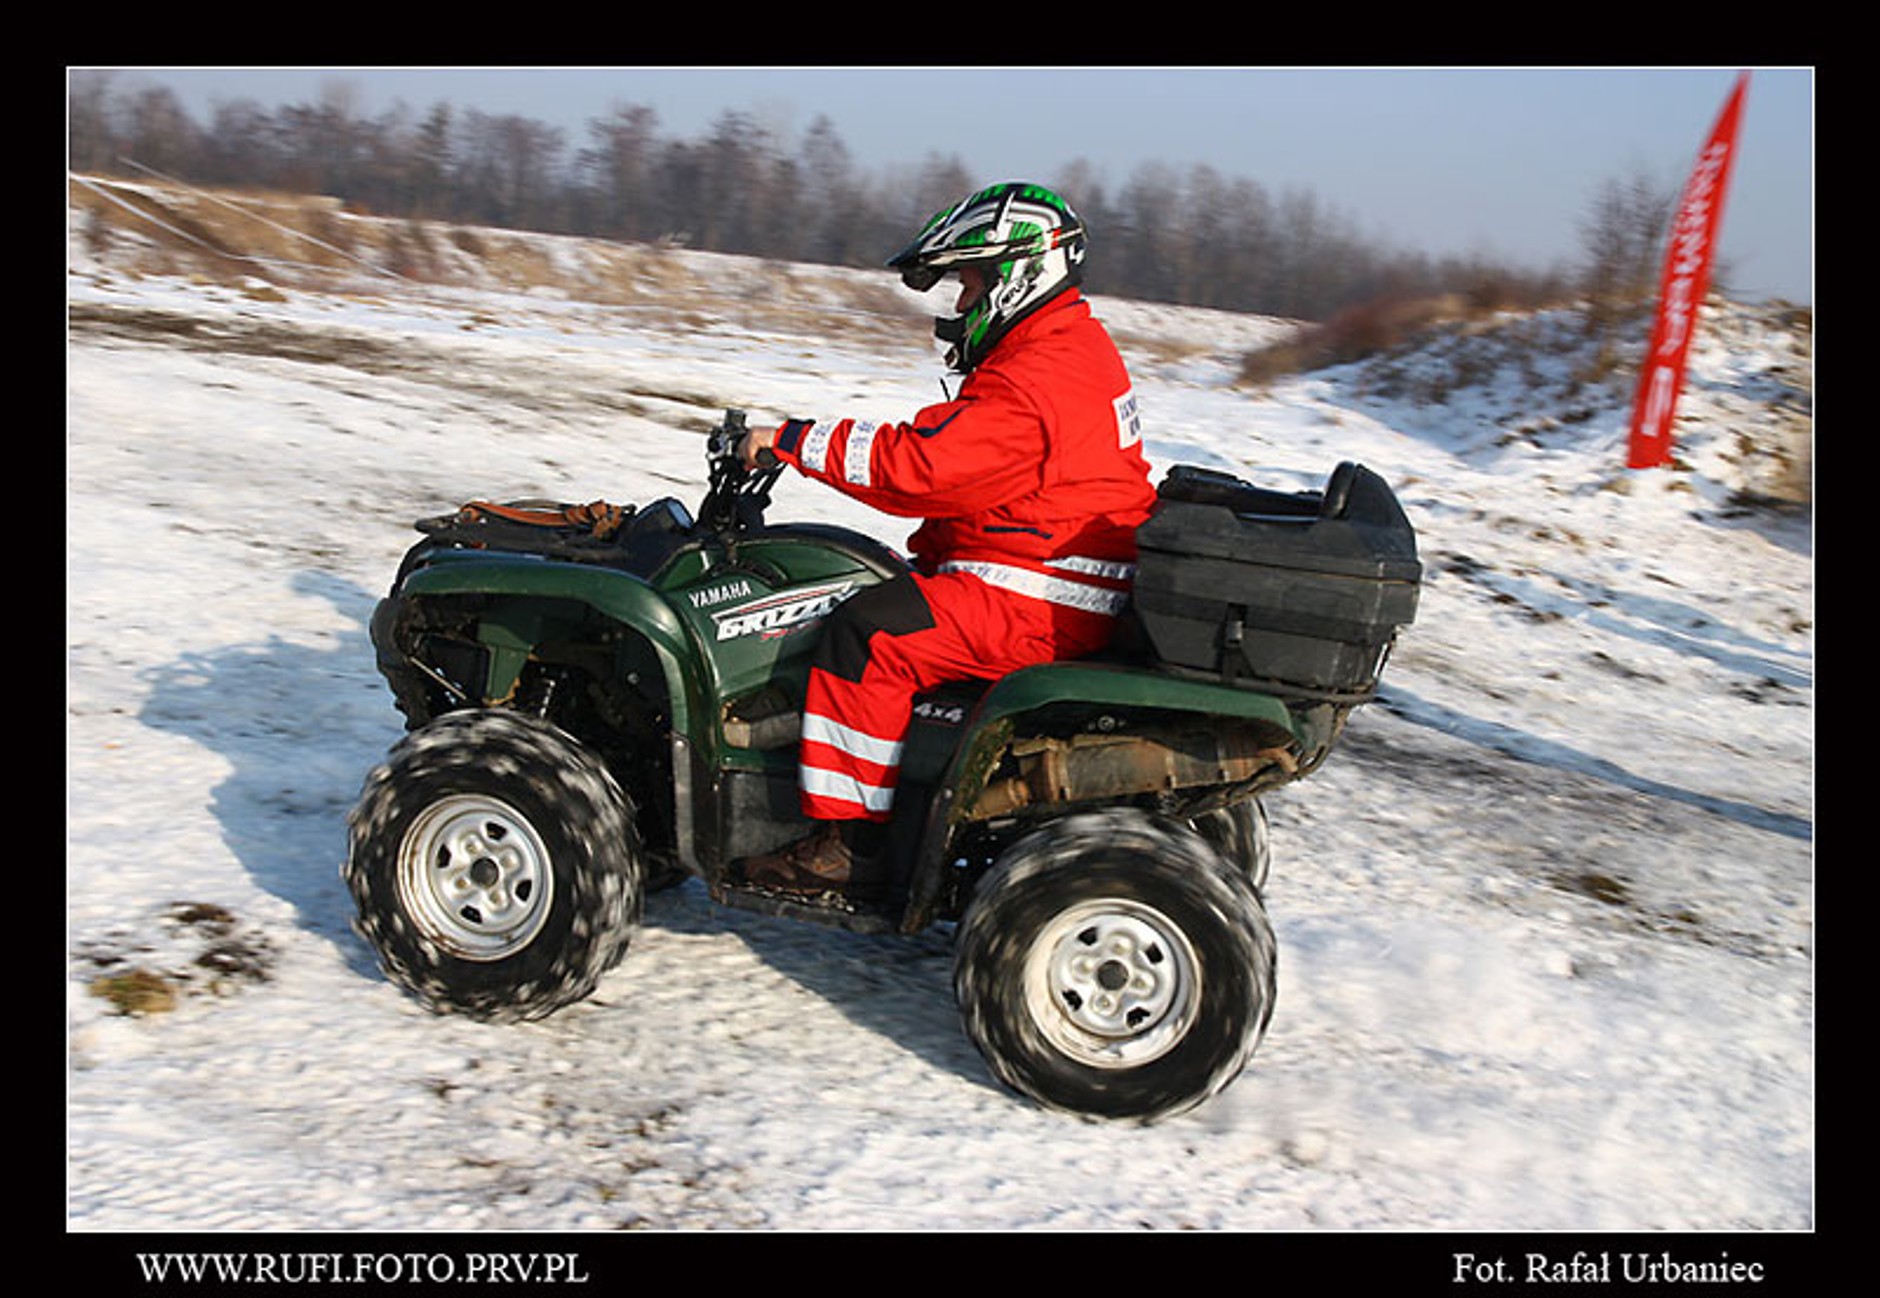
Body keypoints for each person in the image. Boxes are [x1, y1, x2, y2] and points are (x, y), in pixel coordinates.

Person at [735, 181, 1156, 898]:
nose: (960, 306)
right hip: (1050, 573)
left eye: (969, 285)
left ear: (1018, 275)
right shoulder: (1065, 344)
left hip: (1039, 597)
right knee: (879, 582)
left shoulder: (1037, 373)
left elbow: (921, 467)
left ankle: (850, 845)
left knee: (869, 633)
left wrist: (790, 440)